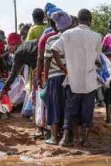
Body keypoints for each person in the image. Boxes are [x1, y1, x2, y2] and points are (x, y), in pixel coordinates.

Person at [51, 9, 102, 147]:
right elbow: (97, 58)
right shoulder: (97, 36)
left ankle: (66, 139)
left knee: (70, 109)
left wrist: (63, 67)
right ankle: (85, 139)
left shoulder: (67, 34)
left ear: (78, 20)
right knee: (87, 109)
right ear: (90, 21)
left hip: (72, 78)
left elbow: (54, 50)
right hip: (89, 79)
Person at [43, 11, 72, 145]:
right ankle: (69, 136)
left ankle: (54, 137)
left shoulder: (51, 40)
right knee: (68, 105)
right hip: (70, 76)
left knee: (54, 106)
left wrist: (45, 77)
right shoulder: (72, 38)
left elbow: (46, 60)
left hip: (54, 77)